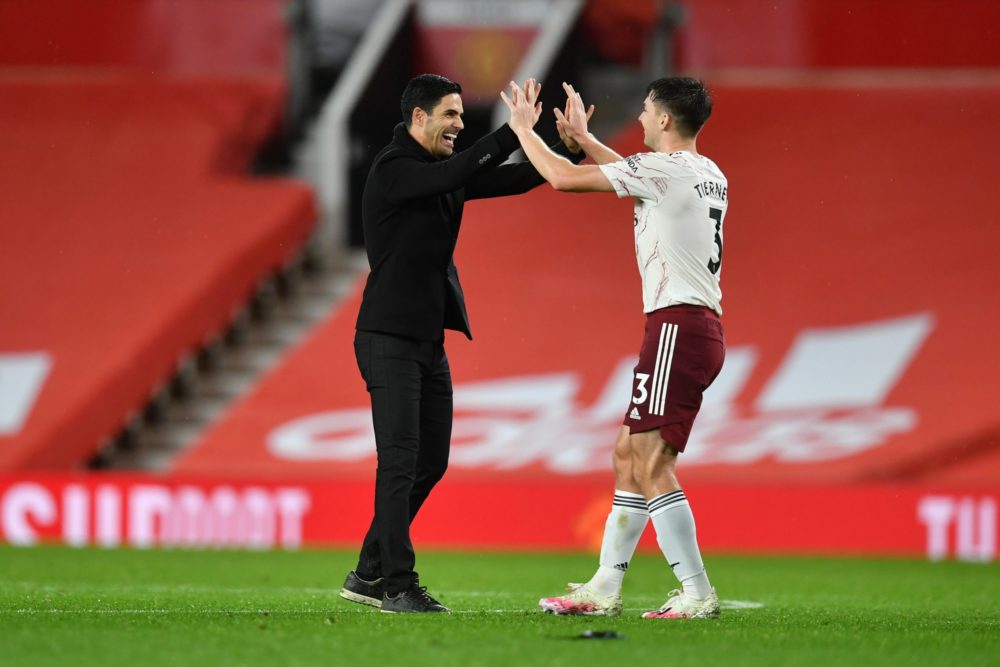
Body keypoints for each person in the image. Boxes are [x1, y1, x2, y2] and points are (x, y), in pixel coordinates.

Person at [340, 73, 585, 614]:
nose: (459, 124)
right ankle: (398, 586)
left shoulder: (436, 173)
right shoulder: (394, 168)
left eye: (460, 115)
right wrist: (513, 132)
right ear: (418, 118)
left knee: (431, 461)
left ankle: (369, 571)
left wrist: (558, 146)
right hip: (387, 338)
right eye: (450, 115)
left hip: (427, 342)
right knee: (400, 462)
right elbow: (461, 168)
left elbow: (514, 180)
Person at [500, 77, 727, 619]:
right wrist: (584, 136)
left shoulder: (666, 171)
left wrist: (524, 132)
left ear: (666, 120)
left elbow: (561, 178)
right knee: (627, 456)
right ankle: (604, 587)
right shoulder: (706, 172)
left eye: (647, 111)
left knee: (651, 464)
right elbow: (630, 175)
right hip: (688, 326)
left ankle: (696, 592)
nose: (642, 119)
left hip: (678, 326)